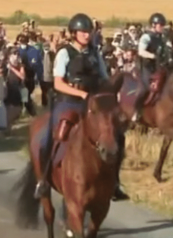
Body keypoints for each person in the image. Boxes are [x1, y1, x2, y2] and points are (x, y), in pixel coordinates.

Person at [33, 13, 129, 202]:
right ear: (73, 33)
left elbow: (103, 78)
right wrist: (82, 94)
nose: (87, 35)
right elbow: (58, 83)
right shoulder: (64, 53)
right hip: (69, 101)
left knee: (118, 135)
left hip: (93, 104)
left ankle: (115, 182)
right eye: (83, 32)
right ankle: (43, 179)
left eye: (89, 31)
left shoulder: (95, 53)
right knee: (50, 135)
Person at [132, 12, 169, 123]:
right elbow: (141, 51)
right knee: (144, 89)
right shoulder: (146, 37)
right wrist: (152, 56)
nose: (162, 27)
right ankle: (136, 111)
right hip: (146, 67)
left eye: (163, 25)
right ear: (153, 25)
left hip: (157, 68)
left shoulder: (161, 38)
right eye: (160, 25)